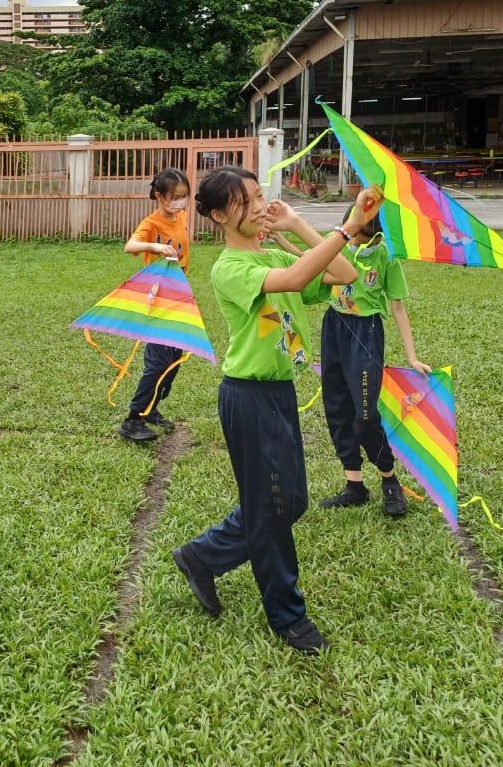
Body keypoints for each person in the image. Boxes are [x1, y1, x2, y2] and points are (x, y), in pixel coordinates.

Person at [169, 166, 381, 655]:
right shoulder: (231, 268)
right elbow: (298, 275)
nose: (260, 204)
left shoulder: (268, 250)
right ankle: (288, 616)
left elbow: (343, 275)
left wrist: (297, 226)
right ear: (221, 215)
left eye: (261, 195)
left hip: (279, 393)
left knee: (290, 503)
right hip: (249, 397)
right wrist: (347, 227)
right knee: (271, 508)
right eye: (246, 200)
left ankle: (201, 556)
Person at [318, 208, 431, 517]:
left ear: (373, 231)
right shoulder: (338, 246)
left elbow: (397, 308)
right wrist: (278, 236)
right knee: (337, 406)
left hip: (365, 333)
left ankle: (389, 481)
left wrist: (412, 356)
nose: (352, 236)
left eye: (359, 231)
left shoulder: (386, 256)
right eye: (349, 228)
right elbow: (310, 263)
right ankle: (354, 485)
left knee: (365, 413)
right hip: (334, 327)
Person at [120, 167, 192, 443]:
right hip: (157, 299)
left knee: (174, 361)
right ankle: (133, 419)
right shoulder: (151, 223)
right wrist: (156, 247)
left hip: (178, 297)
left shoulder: (182, 216)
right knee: (158, 361)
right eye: (175, 197)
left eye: (184, 197)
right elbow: (130, 245)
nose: (180, 202)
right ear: (159, 196)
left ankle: (151, 409)